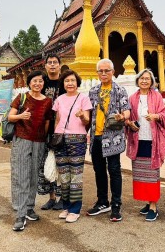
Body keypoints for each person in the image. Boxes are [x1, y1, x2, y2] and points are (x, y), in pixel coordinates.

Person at [8, 70, 53, 232]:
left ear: (43, 84)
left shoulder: (48, 101)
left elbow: (47, 122)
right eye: (34, 81)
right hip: (22, 140)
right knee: (21, 175)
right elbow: (10, 117)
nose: (37, 84)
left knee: (34, 175)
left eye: (40, 81)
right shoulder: (22, 97)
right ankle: (20, 214)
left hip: (39, 142)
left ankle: (29, 207)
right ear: (29, 83)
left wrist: (45, 139)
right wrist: (21, 116)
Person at [87, 58, 130, 222]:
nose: (104, 74)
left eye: (107, 71)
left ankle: (116, 205)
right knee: (99, 170)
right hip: (96, 136)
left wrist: (122, 116)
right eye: (101, 71)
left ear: (113, 72)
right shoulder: (93, 91)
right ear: (97, 73)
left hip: (113, 137)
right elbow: (88, 113)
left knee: (114, 170)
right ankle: (102, 201)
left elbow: (127, 110)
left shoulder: (119, 90)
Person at [125, 69, 165, 222]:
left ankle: (153, 206)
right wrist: (130, 124)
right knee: (140, 173)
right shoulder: (132, 98)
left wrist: (155, 116)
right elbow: (128, 118)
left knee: (152, 174)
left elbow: (164, 115)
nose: (144, 81)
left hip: (152, 140)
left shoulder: (156, 96)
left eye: (147, 79)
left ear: (152, 81)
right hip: (138, 140)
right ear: (138, 81)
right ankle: (146, 201)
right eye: (142, 78)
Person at [52, 70, 92, 223]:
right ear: (63, 83)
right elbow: (57, 120)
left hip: (77, 139)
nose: (70, 83)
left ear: (77, 83)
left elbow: (87, 120)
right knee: (64, 175)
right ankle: (67, 206)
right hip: (61, 140)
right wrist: (55, 137)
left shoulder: (83, 98)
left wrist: (82, 115)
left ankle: (75, 209)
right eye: (67, 81)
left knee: (75, 174)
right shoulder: (59, 99)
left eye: (72, 81)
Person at [37, 53, 63, 211]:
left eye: (55, 62)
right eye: (49, 62)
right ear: (45, 66)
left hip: (62, 130)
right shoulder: (42, 83)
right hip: (44, 129)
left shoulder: (65, 81)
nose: (52, 65)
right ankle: (51, 197)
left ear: (60, 65)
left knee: (62, 164)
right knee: (46, 163)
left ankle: (62, 197)